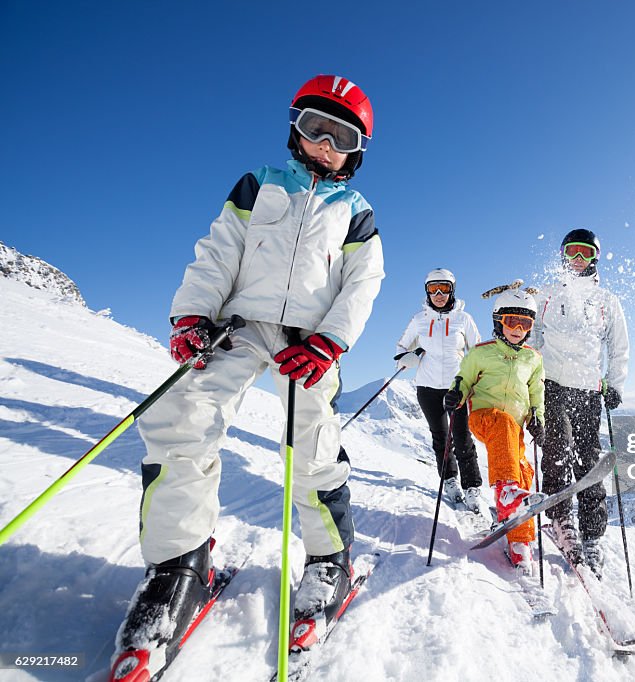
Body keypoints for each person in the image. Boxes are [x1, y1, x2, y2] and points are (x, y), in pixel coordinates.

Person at [111, 74, 384, 674]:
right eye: (315, 128)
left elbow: (362, 287)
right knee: (181, 422)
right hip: (234, 327)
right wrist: (193, 313)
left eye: (340, 137)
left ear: (357, 151)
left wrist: (329, 342)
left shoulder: (357, 214)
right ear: (295, 128)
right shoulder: (259, 183)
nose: (324, 145)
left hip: (306, 344)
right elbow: (218, 250)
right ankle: (178, 567)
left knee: (310, 446)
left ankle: (328, 559)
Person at [533, 229, 628, 579]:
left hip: (588, 389)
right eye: (572, 251)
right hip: (552, 383)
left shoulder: (606, 300)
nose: (578, 259)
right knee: (557, 452)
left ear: (595, 258)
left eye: (585, 253)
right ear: (562, 255)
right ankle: (562, 522)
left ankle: (592, 534)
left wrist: (614, 384)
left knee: (589, 460)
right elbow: (533, 338)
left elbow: (618, 346)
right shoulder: (547, 294)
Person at [443, 284, 546, 575]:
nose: (518, 328)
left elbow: (536, 394)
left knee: (523, 471)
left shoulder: (533, 359)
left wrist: (537, 419)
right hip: (486, 418)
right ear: (498, 322)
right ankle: (506, 493)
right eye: (511, 321)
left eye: (525, 323)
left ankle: (519, 541)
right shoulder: (481, 353)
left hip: (515, 427)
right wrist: (456, 394)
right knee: (502, 427)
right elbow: (463, 379)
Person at [395, 268, 484, 512]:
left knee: (463, 438)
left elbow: (477, 352)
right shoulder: (419, 319)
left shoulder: (464, 319)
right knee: (441, 438)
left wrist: (476, 379)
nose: (438, 294)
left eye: (443, 288)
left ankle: (472, 487)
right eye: (433, 288)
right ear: (426, 291)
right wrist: (407, 358)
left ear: (452, 290)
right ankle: (450, 480)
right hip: (427, 388)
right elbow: (401, 348)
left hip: (458, 387)